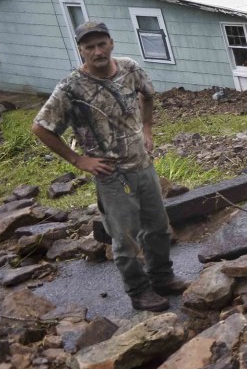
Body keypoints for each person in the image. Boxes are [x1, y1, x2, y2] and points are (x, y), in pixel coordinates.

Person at [31, 21, 188, 311]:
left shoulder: (129, 68)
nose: (97, 51)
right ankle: (139, 292)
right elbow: (41, 128)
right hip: (111, 175)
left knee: (158, 229)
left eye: (101, 44)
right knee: (126, 239)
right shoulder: (71, 88)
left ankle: (162, 278)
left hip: (143, 165)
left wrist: (147, 130)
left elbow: (148, 95)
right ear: (81, 51)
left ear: (111, 43)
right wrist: (79, 160)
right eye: (89, 47)